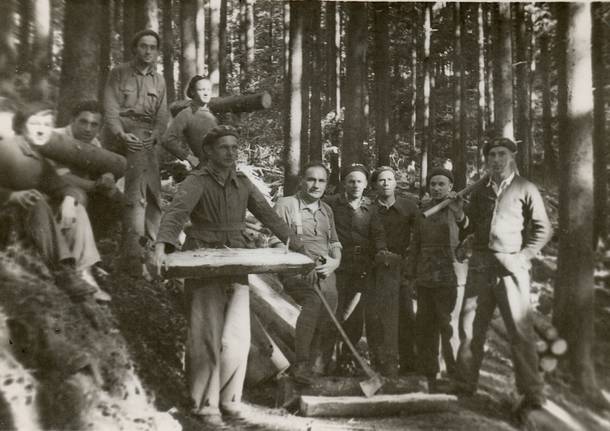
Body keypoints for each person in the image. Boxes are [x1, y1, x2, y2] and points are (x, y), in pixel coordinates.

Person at [154, 125, 305, 427]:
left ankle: (229, 401)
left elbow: (268, 214)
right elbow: (177, 212)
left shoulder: (243, 182)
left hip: (237, 258)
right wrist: (161, 247)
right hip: (204, 259)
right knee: (205, 333)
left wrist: (299, 246)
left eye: (235, 147)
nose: (231, 152)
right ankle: (203, 405)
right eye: (224, 147)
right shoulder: (197, 181)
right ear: (208, 151)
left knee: (238, 335)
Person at [455, 137, 553, 415]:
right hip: (480, 266)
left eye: (502, 154)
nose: (496, 159)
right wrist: (462, 219)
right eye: (492, 155)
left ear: (511, 157)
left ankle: (532, 393)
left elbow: (542, 229)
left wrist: (523, 257)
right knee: (470, 326)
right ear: (486, 159)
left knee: (520, 332)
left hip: (512, 266)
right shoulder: (480, 191)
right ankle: (464, 384)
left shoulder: (525, 188)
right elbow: (471, 226)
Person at [0, 101, 102, 302]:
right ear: (21, 126)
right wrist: (12, 196)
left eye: (47, 125)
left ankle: (81, 270)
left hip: (25, 223)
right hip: (5, 219)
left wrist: (69, 200)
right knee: (35, 200)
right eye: (35, 124)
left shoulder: (38, 159)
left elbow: (65, 187)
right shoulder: (5, 149)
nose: (41, 130)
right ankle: (62, 271)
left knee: (74, 207)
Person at [103, 29, 168, 278]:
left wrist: (158, 134)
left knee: (153, 195)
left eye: (153, 47)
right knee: (133, 195)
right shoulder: (118, 73)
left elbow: (162, 115)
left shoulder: (159, 80)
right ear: (134, 49)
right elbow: (109, 109)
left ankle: (152, 254)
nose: (148, 51)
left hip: (147, 137)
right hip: (121, 133)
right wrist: (120, 134)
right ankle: (131, 255)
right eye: (143, 46)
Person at [271, 162, 342, 384]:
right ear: (302, 180)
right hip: (294, 268)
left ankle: (317, 367)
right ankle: (300, 365)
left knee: (330, 306)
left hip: (324, 268)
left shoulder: (326, 209)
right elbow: (275, 243)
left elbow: (334, 242)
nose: (316, 185)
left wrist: (335, 262)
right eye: (311, 179)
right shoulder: (287, 204)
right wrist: (302, 264)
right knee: (313, 300)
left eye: (321, 181)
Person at [405, 168, 467, 392]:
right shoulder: (423, 211)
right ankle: (428, 373)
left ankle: (455, 374)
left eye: (442, 184)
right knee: (425, 325)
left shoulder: (458, 207)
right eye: (433, 184)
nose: (437, 188)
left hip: (451, 275)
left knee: (449, 326)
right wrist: (410, 275)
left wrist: (458, 212)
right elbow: (415, 246)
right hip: (425, 275)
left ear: (451, 186)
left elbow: (468, 229)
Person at [325, 164, 387, 372]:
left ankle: (347, 359)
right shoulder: (331, 204)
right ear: (344, 183)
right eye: (351, 181)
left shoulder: (371, 208)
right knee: (334, 310)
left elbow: (378, 234)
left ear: (366, 184)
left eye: (359, 181)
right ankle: (326, 359)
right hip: (336, 264)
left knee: (354, 315)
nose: (355, 185)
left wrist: (381, 252)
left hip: (362, 267)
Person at [370, 166, 419, 376]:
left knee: (406, 315)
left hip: (403, 268)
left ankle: (409, 362)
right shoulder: (369, 208)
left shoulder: (409, 207)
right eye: (381, 180)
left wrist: (410, 264)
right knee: (377, 317)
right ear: (374, 185)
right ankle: (380, 363)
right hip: (375, 268)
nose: (386, 183)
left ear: (395, 183)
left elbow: (419, 235)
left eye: (390, 179)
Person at [163, 76, 217, 166]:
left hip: (222, 167)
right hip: (204, 169)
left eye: (208, 90)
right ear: (193, 92)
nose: (206, 93)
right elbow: (167, 139)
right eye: (202, 90)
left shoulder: (211, 114)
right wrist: (189, 157)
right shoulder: (186, 114)